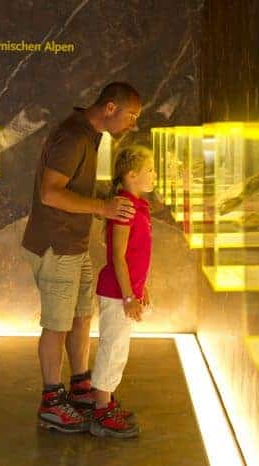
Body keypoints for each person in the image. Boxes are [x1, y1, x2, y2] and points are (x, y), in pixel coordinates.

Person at [22, 82, 142, 433]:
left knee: (79, 317)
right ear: (109, 108)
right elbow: (49, 193)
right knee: (57, 324)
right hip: (56, 246)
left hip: (73, 244)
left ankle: (79, 385)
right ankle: (51, 400)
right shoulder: (74, 137)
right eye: (131, 115)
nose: (133, 124)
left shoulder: (90, 135)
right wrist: (102, 207)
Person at [90, 145, 155, 438]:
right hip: (117, 293)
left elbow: (136, 255)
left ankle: (107, 400)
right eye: (149, 170)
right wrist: (128, 296)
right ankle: (101, 410)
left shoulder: (138, 205)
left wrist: (141, 287)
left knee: (119, 349)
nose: (154, 175)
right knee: (112, 348)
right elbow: (117, 255)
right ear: (131, 175)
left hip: (126, 291)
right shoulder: (125, 207)